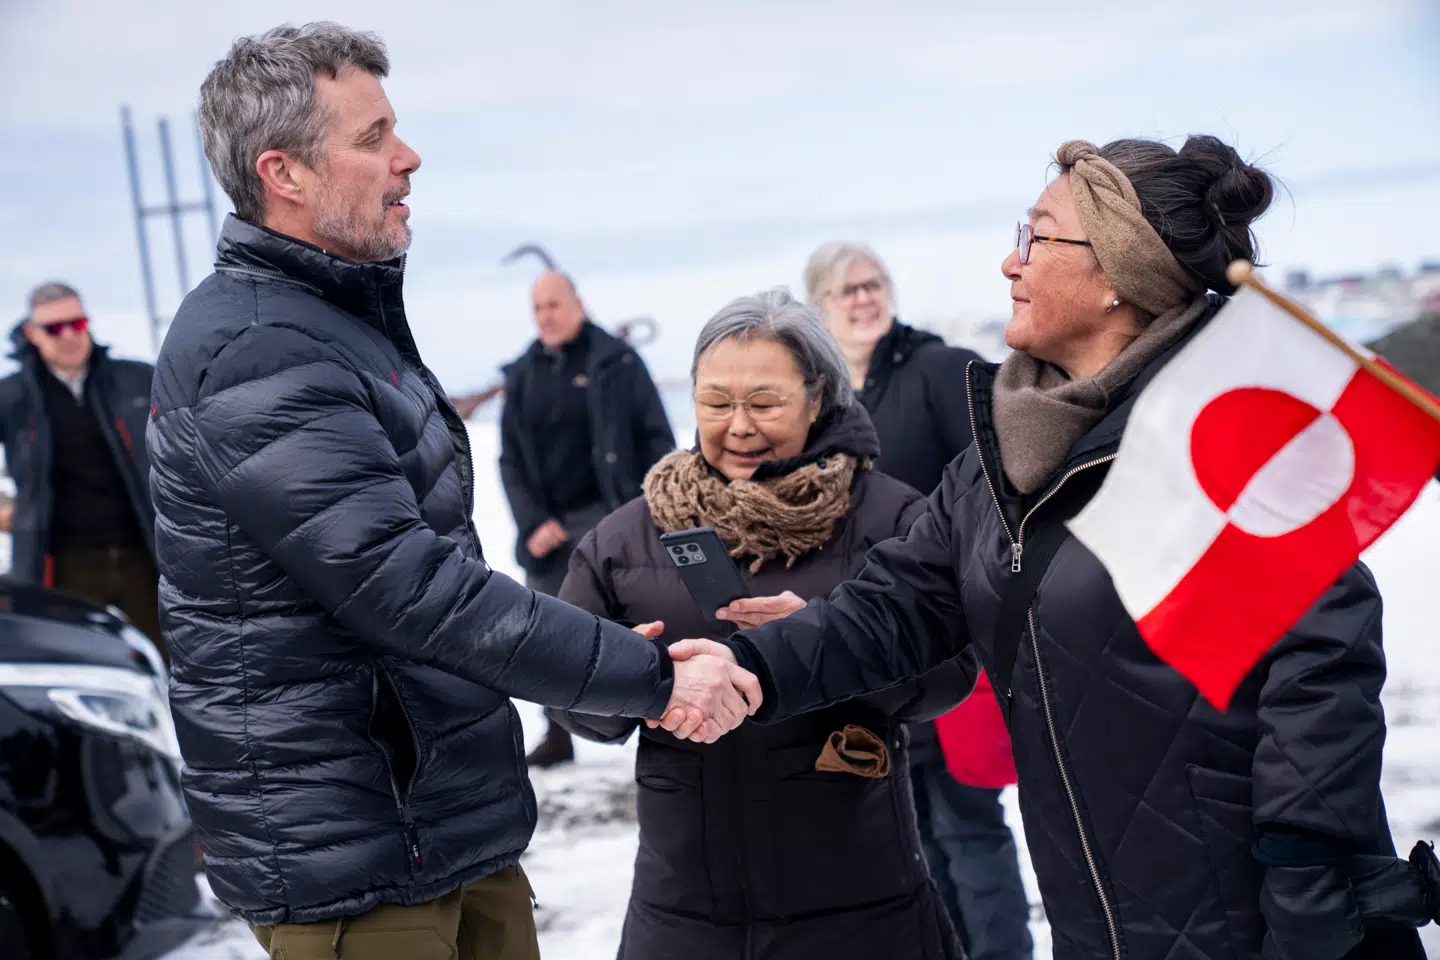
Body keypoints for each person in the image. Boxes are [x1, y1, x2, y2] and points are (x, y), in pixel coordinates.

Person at [666, 137, 1438, 960]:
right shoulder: (999, 455)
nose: (1009, 261)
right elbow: (890, 608)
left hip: (1259, 916)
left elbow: (1324, 652)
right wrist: (749, 666)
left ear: (1116, 276)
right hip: (1095, 917)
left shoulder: (1226, 429)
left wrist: (1305, 858)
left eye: (1037, 236)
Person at [150, 23, 757, 960]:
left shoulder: (335, 324)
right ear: (285, 173)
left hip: (442, 821)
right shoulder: (251, 348)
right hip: (357, 856)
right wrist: (653, 678)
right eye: (372, 137)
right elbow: (407, 587)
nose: (408, 157)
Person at [548, 288, 972, 960]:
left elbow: (951, 675)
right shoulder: (627, 537)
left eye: (764, 403)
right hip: (684, 913)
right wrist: (622, 674)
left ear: (818, 397)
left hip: (861, 909)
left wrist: (831, 641)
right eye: (716, 402)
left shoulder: (894, 521)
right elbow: (563, 686)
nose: (738, 426)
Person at [805, 241, 1032, 960]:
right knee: (915, 824)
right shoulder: (828, 398)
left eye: (874, 284)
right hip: (877, 645)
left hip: (954, 634)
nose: (865, 298)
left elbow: (1002, 477)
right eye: (848, 291)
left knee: (968, 818)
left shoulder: (937, 368)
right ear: (819, 308)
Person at [500, 269, 674, 768]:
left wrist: (645, 513)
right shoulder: (523, 375)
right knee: (546, 634)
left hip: (615, 516)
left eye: (554, 305)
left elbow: (657, 439)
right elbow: (509, 460)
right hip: (551, 530)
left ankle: (653, 717)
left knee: (631, 628)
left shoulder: (618, 362)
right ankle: (557, 733)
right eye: (537, 308)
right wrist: (532, 522)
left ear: (578, 303)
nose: (546, 316)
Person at [0, 282, 161, 646]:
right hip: (63, 565)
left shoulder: (136, 378)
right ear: (32, 333)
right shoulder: (13, 396)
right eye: (55, 328)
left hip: (147, 554)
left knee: (175, 662)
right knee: (82, 666)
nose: (69, 335)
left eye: (78, 323)